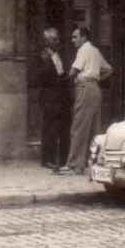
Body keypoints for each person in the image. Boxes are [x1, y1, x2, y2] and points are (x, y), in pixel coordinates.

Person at [58, 27, 114, 175]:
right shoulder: (95, 51)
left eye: (75, 37)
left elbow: (73, 71)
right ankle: (94, 163)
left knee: (79, 127)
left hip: (84, 88)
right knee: (94, 128)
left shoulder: (83, 50)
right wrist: (95, 79)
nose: (73, 40)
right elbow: (109, 69)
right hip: (95, 89)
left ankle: (74, 165)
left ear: (83, 38)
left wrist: (69, 78)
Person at [38, 27, 71, 170]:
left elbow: (62, 73)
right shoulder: (43, 56)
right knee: (49, 130)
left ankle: (63, 159)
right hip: (50, 98)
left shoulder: (59, 54)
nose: (57, 41)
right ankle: (47, 159)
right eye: (54, 39)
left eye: (57, 39)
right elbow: (42, 77)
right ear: (47, 41)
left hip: (62, 98)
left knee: (63, 129)